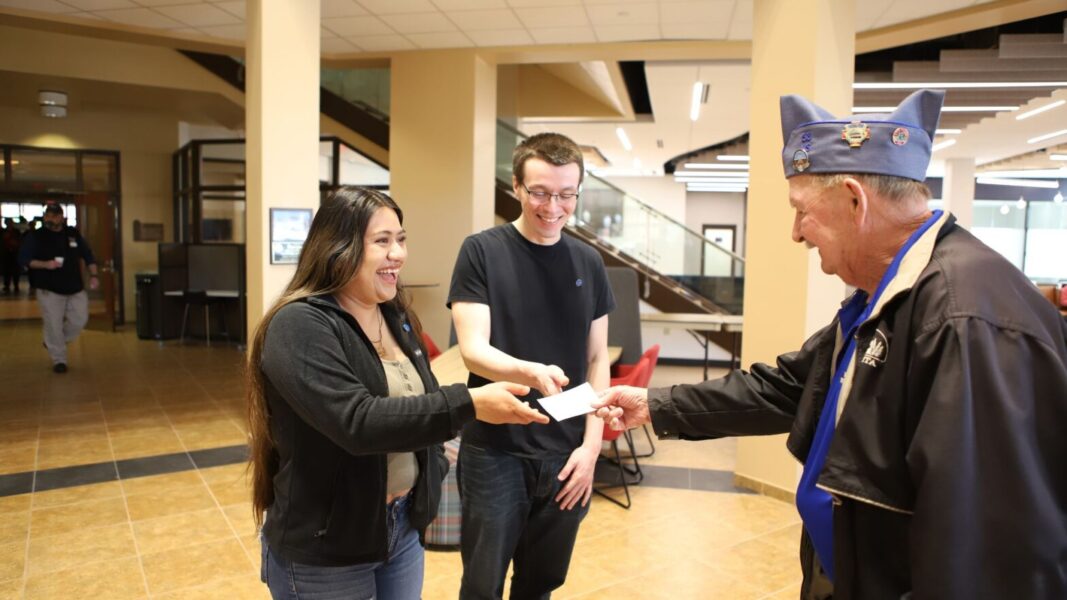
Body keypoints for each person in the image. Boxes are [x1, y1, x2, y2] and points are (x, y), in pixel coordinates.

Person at [595, 89, 1067, 600]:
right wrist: (656, 404)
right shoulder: (886, 296)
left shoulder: (962, 317)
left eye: (801, 211)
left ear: (854, 200)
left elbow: (983, 548)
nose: (796, 233)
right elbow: (790, 388)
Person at [247, 187, 549, 600]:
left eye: (401, 239)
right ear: (339, 248)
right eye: (382, 241)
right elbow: (358, 422)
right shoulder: (299, 325)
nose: (399, 254)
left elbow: (418, 398)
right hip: (328, 547)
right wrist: (471, 403)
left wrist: (428, 479)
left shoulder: (396, 316)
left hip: (401, 528)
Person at [448, 132, 616, 599]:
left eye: (566, 194)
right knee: (482, 585)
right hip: (496, 450)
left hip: (567, 453)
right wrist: (530, 372)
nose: (552, 206)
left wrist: (591, 448)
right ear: (517, 187)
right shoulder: (482, 251)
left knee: (540, 583)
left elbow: (597, 358)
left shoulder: (588, 260)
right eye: (540, 192)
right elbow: (473, 349)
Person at [19, 204, 99, 373]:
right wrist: (45, 264)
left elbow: (88, 255)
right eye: (48, 216)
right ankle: (59, 359)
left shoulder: (72, 234)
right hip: (49, 288)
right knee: (53, 324)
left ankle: (53, 341)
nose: (52, 219)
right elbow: (25, 260)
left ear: (61, 217)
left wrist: (94, 275)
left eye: (55, 216)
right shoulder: (36, 236)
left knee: (80, 319)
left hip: (74, 286)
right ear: (44, 217)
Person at [1, 217, 22, 295]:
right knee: (7, 270)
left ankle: (16, 285)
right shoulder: (3, 232)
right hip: (6, 254)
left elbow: (20, 241)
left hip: (15, 253)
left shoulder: (16, 232)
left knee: (16, 270)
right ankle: (7, 285)